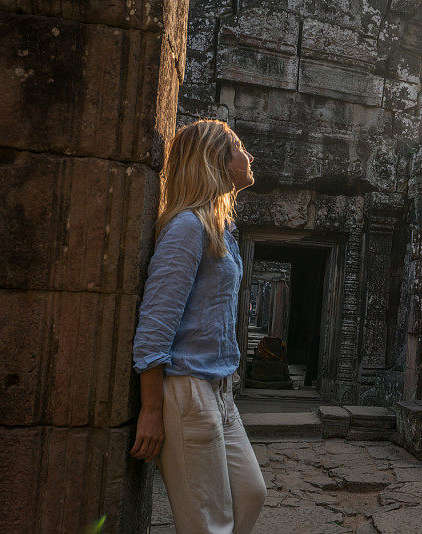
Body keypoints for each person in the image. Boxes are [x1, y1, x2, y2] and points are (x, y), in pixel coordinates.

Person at [129, 119, 267, 533]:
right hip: (186, 389)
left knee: (250, 494)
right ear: (217, 161)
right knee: (209, 525)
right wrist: (151, 411)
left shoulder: (221, 227)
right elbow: (154, 328)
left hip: (219, 388)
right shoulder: (187, 227)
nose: (249, 156)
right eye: (240, 148)